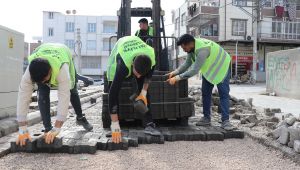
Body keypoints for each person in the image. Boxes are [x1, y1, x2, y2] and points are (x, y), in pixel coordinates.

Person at [16, 43, 93, 146]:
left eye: (45, 80)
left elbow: (64, 98)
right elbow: (23, 98)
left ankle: (80, 117)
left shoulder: (63, 70)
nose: (44, 82)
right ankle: (47, 128)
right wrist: (22, 128)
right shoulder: (29, 73)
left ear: (50, 71)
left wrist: (57, 127)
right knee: (42, 93)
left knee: (72, 91)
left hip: (63, 54)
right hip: (42, 52)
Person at [166, 34, 235, 131]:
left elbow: (194, 70)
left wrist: (177, 78)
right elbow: (187, 63)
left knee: (223, 94)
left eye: (184, 47)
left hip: (221, 67)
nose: (184, 50)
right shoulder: (192, 48)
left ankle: (226, 121)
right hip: (209, 69)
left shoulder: (202, 50)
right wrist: (175, 72)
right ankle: (206, 118)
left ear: (190, 44)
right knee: (205, 93)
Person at [107, 36, 161, 144]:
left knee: (144, 91)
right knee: (113, 89)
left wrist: (143, 93)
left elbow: (148, 78)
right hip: (122, 48)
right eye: (137, 73)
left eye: (142, 74)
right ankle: (115, 125)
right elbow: (112, 94)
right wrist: (115, 124)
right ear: (132, 65)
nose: (139, 76)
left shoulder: (151, 56)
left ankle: (149, 124)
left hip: (137, 49)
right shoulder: (122, 64)